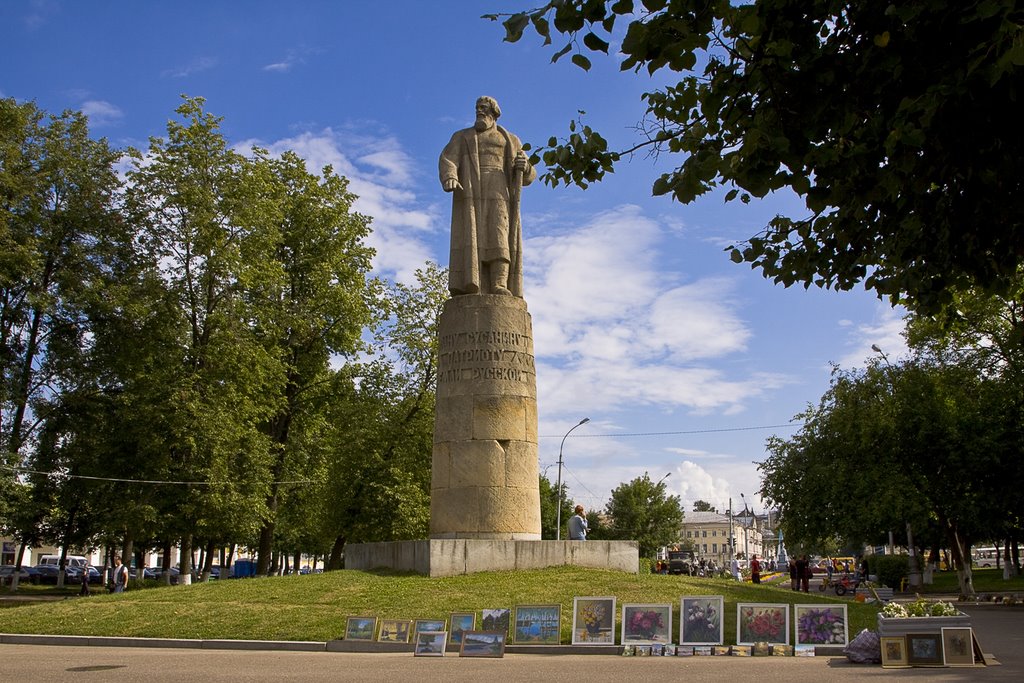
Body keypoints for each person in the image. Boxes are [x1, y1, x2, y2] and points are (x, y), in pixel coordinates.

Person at [439, 96, 536, 297]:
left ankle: (499, 283)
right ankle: (470, 283)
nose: (479, 111)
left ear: (494, 113)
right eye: (477, 108)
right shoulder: (462, 136)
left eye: (483, 108)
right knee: (471, 238)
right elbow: (448, 158)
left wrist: (524, 167)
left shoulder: (510, 139)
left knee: (499, 235)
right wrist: (450, 176)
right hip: (470, 192)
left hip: (499, 191)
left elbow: (529, 173)